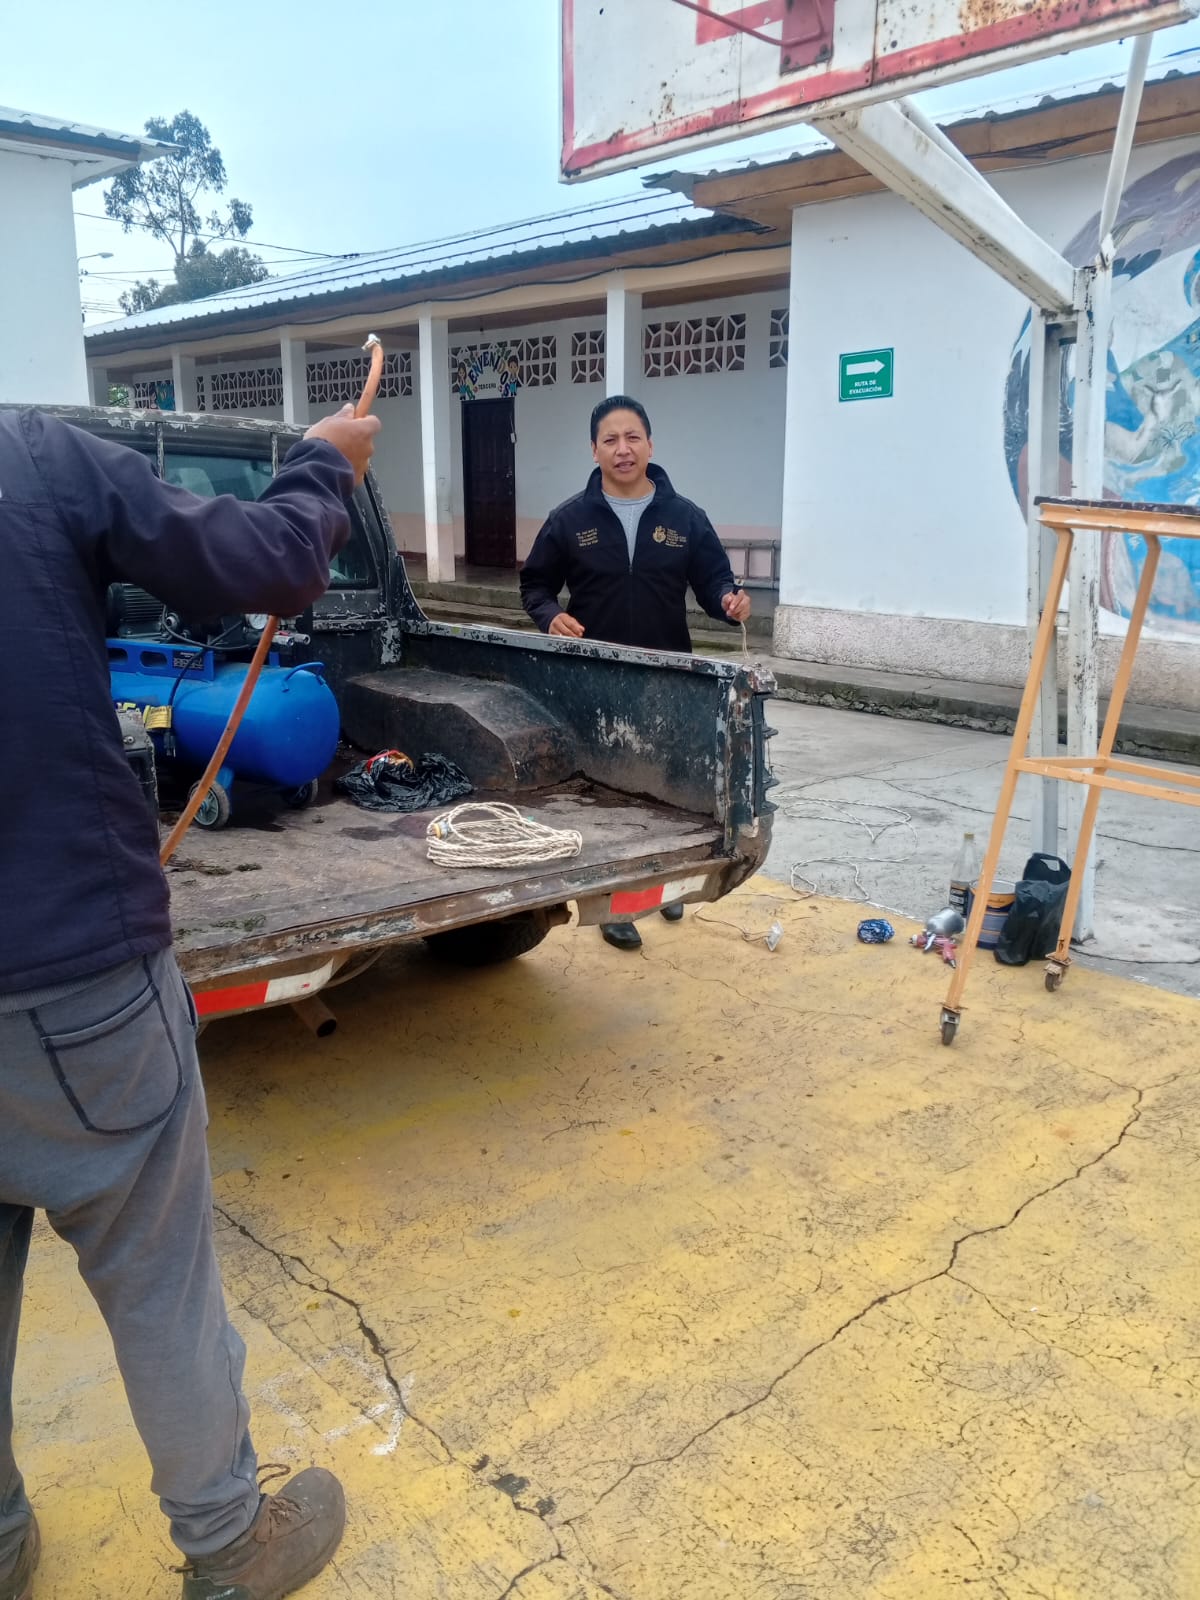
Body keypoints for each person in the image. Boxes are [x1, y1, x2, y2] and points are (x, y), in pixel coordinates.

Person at [0, 399, 380, 1600]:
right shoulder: (30, 458)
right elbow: (269, 563)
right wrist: (323, 466)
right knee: (158, 1275)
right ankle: (228, 1544)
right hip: (72, 970)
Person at [519, 394, 751, 952]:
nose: (622, 449)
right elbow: (535, 585)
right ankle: (616, 903)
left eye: (632, 438)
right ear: (594, 449)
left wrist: (729, 601)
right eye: (610, 440)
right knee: (609, 795)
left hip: (668, 675)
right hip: (596, 679)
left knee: (671, 791)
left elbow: (714, 581)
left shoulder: (685, 517)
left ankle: (665, 885)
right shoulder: (570, 519)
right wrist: (550, 616)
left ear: (650, 444)